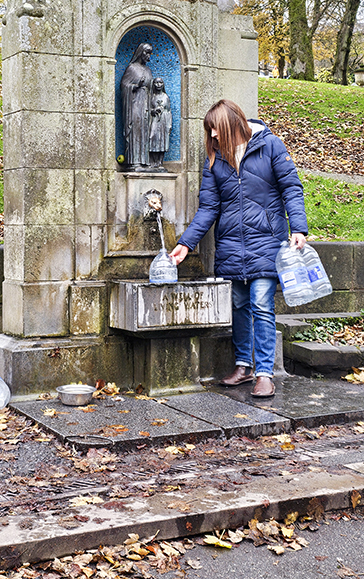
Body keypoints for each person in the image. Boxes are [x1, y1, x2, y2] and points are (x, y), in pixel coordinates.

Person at [170, 99, 308, 398]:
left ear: (231, 123)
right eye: (210, 132)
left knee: (261, 303)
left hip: (266, 241)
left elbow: (291, 188)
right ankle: (244, 366)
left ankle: (264, 373)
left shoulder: (270, 145)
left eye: (216, 129)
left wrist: (298, 227)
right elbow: (209, 207)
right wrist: (185, 243)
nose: (213, 136)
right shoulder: (216, 159)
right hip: (232, 245)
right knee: (239, 305)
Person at [120, 43, 153, 169]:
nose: (149, 56)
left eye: (150, 53)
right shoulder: (132, 68)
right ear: (140, 53)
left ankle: (145, 161)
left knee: (145, 131)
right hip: (134, 104)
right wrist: (135, 86)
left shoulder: (148, 70)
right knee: (135, 130)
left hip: (146, 105)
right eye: (147, 53)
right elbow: (124, 86)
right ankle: (134, 161)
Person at [149, 77, 172, 168]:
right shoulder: (152, 97)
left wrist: (169, 124)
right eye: (156, 82)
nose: (158, 85)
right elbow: (148, 109)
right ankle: (153, 161)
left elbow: (169, 110)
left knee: (162, 140)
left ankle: (159, 162)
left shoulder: (165, 97)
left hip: (164, 120)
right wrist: (153, 111)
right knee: (152, 137)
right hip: (154, 120)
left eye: (160, 82)